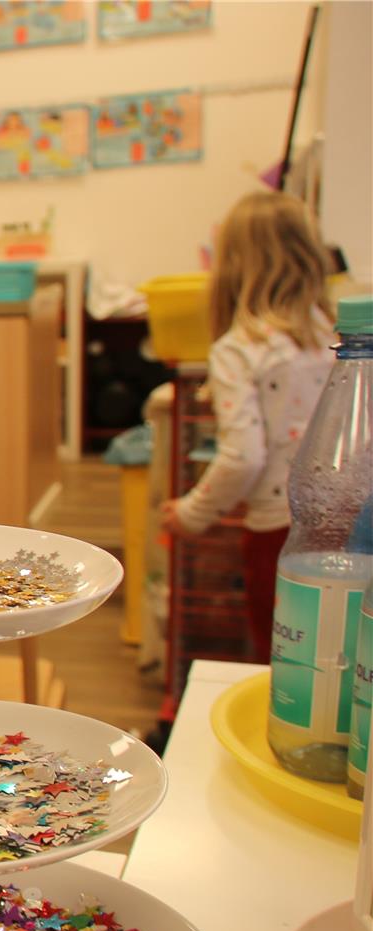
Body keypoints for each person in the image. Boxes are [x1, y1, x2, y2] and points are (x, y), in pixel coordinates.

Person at [160, 191, 337, 661]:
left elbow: (244, 456)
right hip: (350, 521)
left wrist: (193, 512)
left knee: (283, 654)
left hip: (280, 531)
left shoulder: (239, 350)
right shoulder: (332, 337)